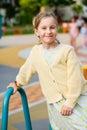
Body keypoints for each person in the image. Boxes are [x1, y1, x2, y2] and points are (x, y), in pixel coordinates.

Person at [7, 11, 87, 130]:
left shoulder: (67, 51)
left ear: (57, 29)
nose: (48, 31)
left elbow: (76, 79)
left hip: (76, 100)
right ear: (36, 32)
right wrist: (17, 83)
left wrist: (70, 103)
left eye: (52, 27)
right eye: (44, 28)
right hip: (55, 103)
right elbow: (26, 70)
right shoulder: (35, 52)